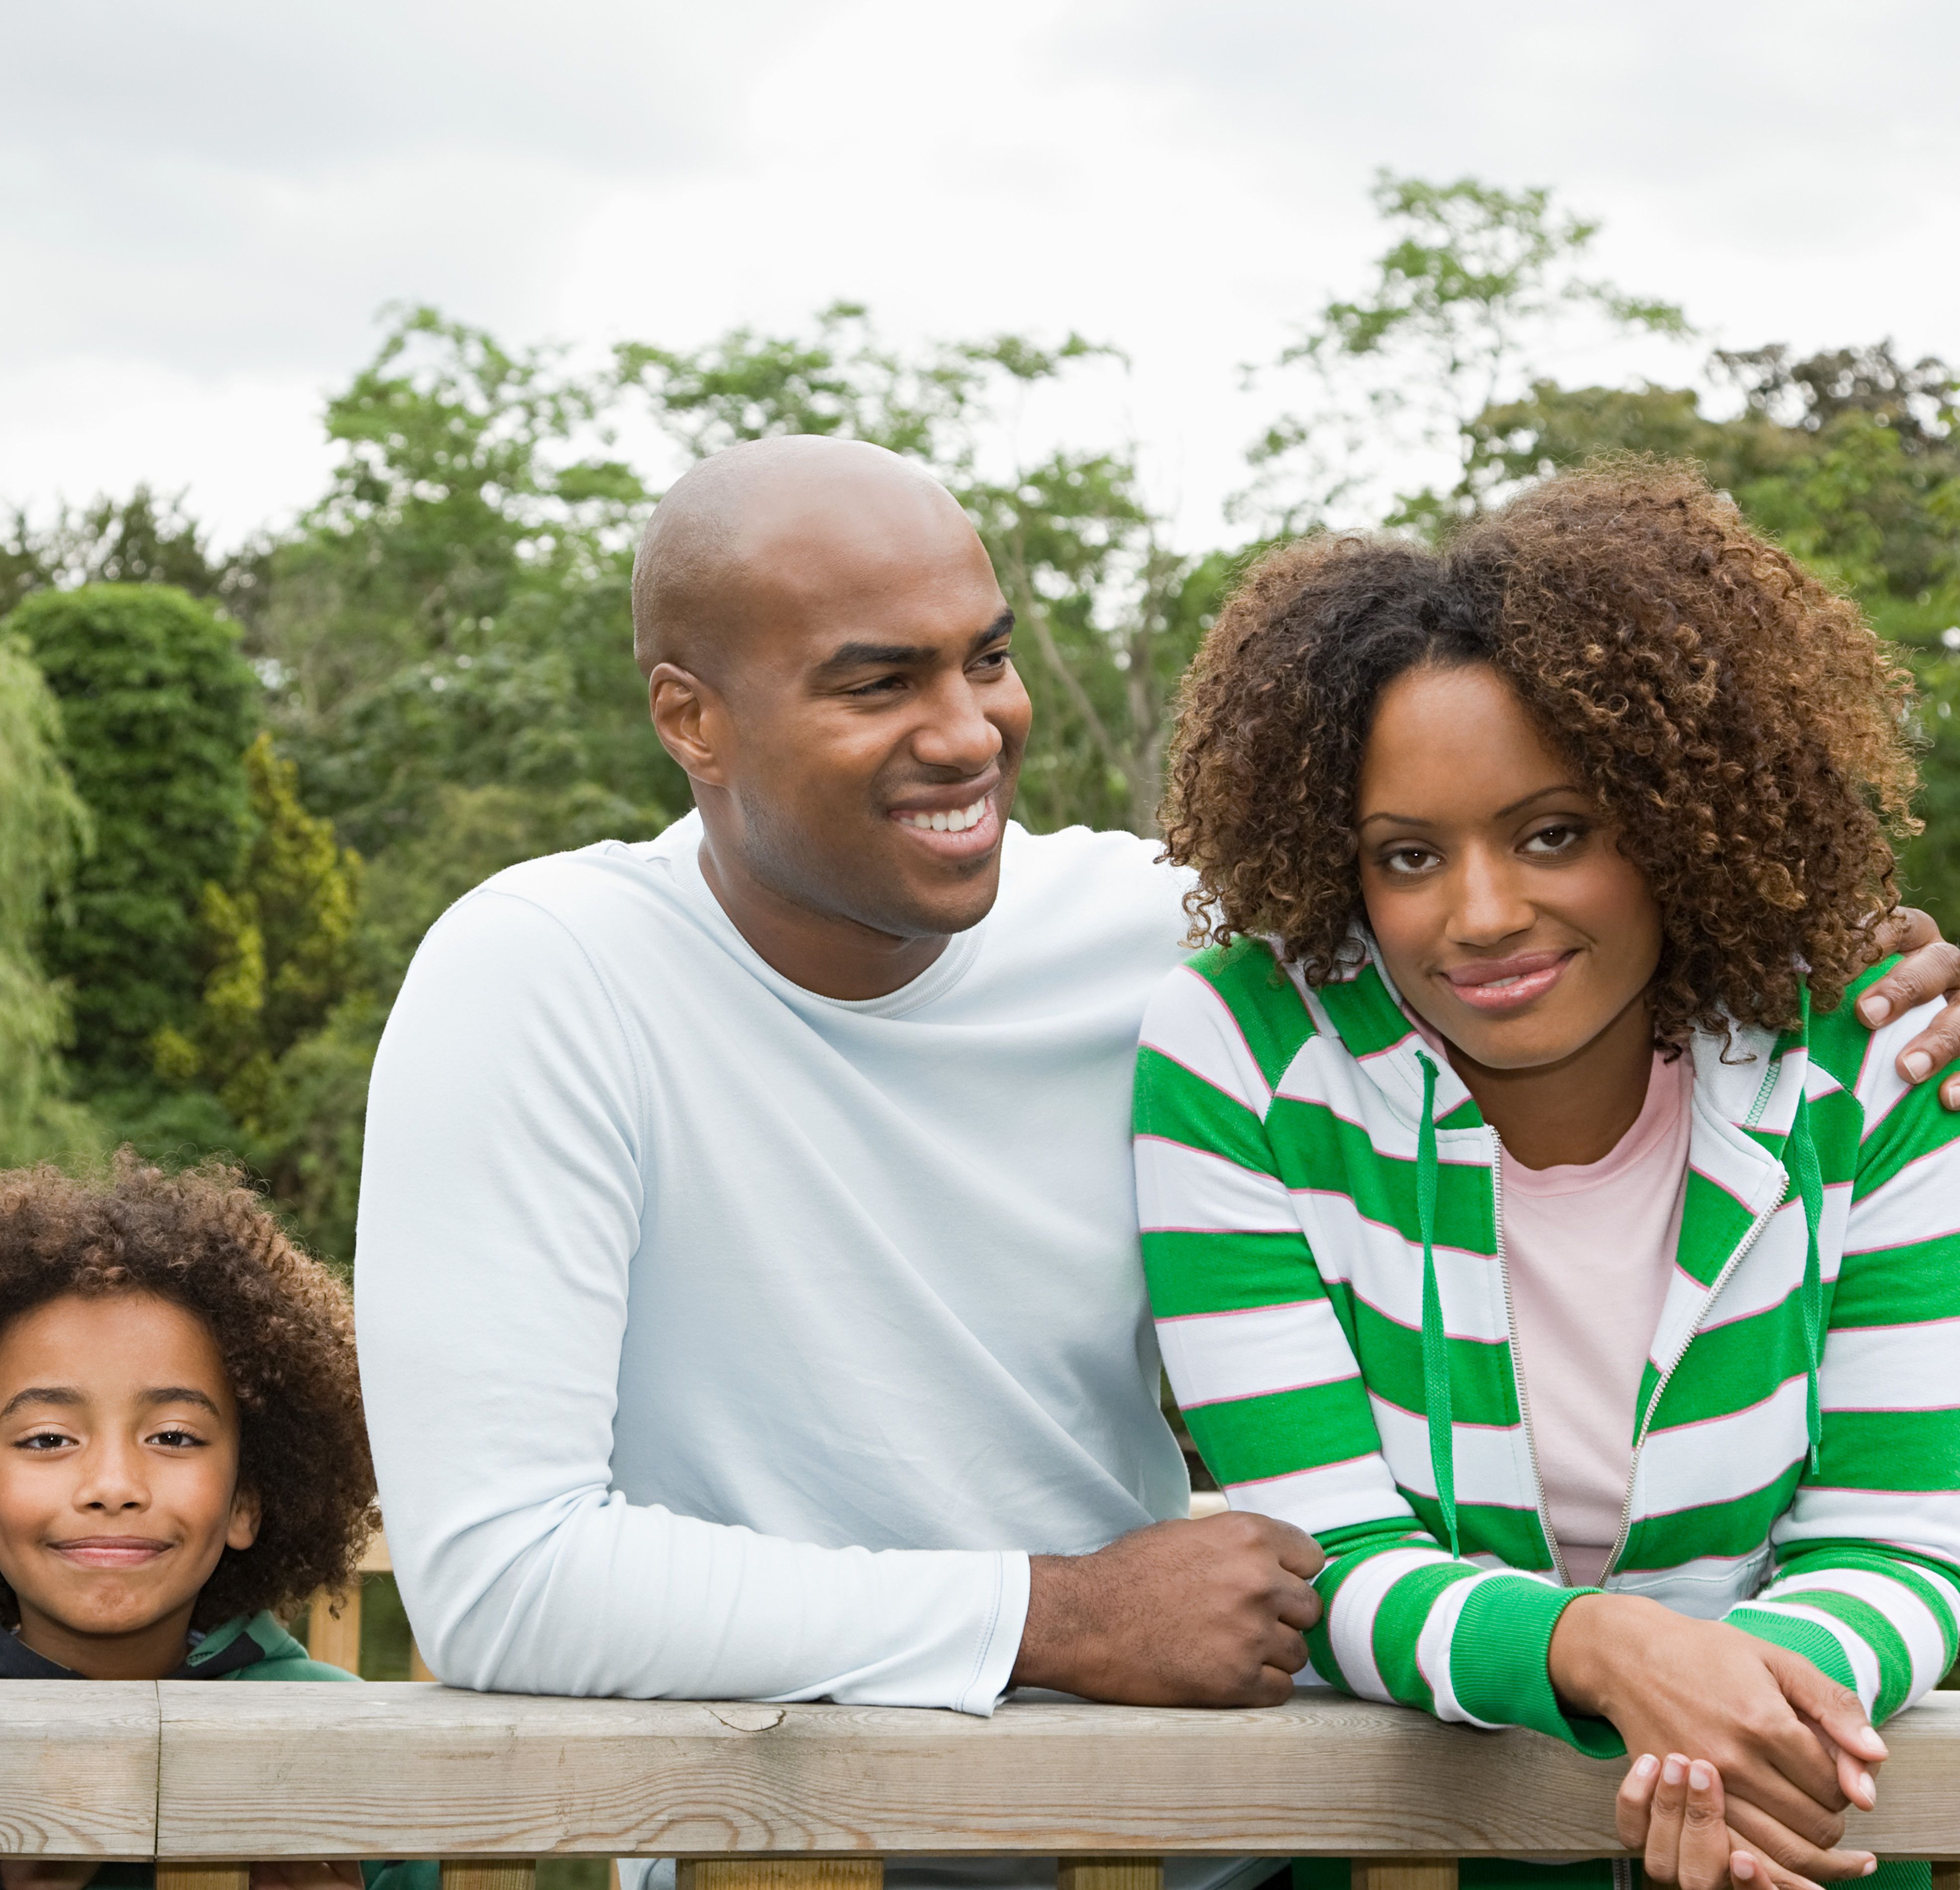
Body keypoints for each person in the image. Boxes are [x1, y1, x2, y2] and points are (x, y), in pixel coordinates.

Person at [353, 437, 1960, 1890]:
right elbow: (504, 1576)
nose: (966, 729)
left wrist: (1845, 962)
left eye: (985, 658)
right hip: (791, 1843)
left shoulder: (1168, 939)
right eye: (876, 682)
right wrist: (1054, 1614)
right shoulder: (543, 974)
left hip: (1188, 1827)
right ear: (687, 715)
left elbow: (1548, 901)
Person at [1136, 464, 1957, 1890]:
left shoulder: (1872, 1055)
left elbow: (1905, 1539)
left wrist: (1733, 1721)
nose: (1481, 915)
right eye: (1406, 856)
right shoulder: (1241, 1061)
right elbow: (1319, 1559)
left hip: (1788, 1842)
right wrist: (1607, 1653)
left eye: (1553, 832)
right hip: (1398, 1866)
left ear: (1674, 809)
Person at [0, 1158, 433, 1890]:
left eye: (173, 1437)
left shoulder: (359, 1751)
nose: (112, 1486)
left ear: (245, 1503)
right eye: (47, 1440)